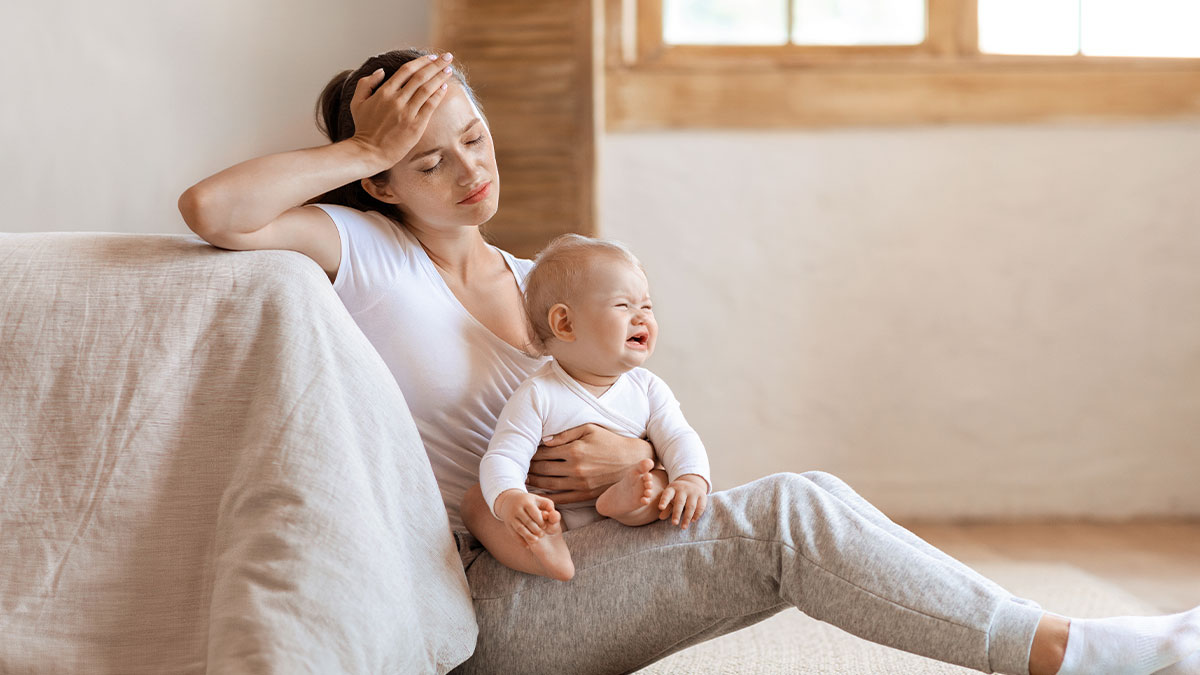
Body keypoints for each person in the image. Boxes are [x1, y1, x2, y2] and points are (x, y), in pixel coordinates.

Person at [179, 47, 1200, 675]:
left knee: (795, 506)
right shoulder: (364, 250)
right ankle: (1070, 654)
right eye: (428, 158)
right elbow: (213, 212)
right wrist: (362, 149)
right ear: (386, 182)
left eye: (474, 138)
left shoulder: (545, 281)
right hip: (492, 605)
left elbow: (637, 424)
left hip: (594, 558)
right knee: (796, 512)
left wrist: (646, 473)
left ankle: (1062, 646)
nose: (468, 171)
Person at [466, 234, 712, 582]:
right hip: (556, 517)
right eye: (623, 306)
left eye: (647, 306)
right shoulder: (539, 394)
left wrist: (691, 479)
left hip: (626, 519)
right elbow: (504, 456)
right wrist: (511, 500)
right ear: (565, 324)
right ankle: (542, 551)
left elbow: (678, 437)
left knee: (657, 483)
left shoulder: (647, 389)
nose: (641, 317)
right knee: (478, 502)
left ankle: (621, 503)